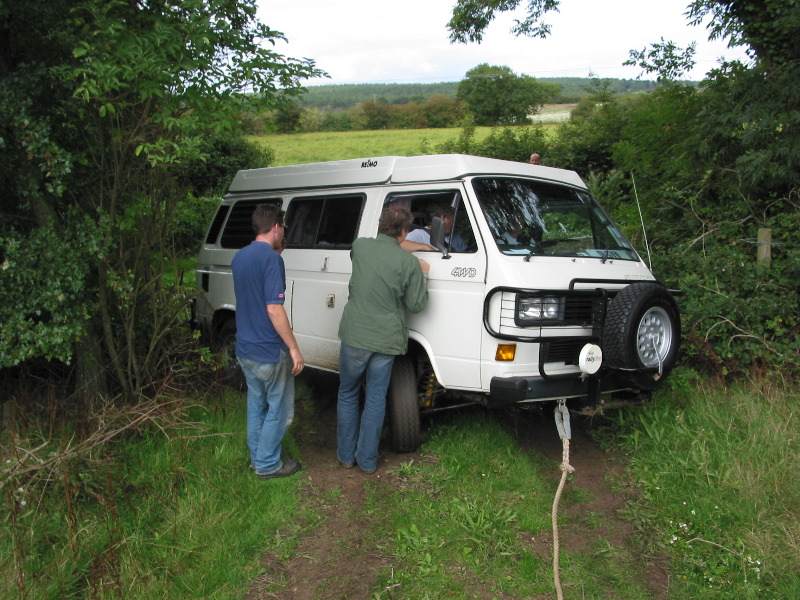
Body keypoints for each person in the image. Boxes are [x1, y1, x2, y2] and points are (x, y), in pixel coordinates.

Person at [337, 205, 430, 474]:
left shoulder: (360, 246)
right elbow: (416, 305)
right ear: (404, 232)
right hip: (385, 339)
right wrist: (422, 272)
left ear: (380, 225)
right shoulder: (408, 264)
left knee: (347, 393)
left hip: (355, 334)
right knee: (376, 398)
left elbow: (379, 250)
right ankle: (367, 461)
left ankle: (345, 456)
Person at [232, 204, 304, 479]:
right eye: (282, 227)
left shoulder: (239, 257)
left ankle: (257, 459)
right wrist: (294, 348)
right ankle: (267, 464)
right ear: (275, 227)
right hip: (269, 351)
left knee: (256, 404)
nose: (283, 232)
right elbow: (274, 309)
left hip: (245, 349)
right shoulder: (272, 260)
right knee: (279, 409)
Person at [401, 207, 467, 252]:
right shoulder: (420, 234)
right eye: (452, 220)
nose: (454, 223)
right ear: (442, 218)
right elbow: (400, 245)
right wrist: (424, 247)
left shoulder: (455, 237)